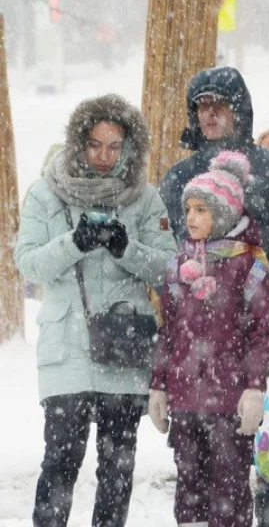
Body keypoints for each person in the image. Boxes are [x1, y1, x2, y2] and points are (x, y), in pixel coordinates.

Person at [16, 94, 175, 527]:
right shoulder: (45, 194)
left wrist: (126, 248)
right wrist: (75, 243)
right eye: (95, 144)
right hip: (65, 351)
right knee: (59, 466)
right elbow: (27, 262)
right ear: (77, 142)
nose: (104, 156)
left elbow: (168, 268)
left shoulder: (144, 198)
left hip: (123, 349)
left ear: (129, 147)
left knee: (117, 471)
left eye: (114, 146)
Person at [149, 151, 269, 527]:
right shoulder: (179, 267)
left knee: (230, 490)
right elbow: (168, 331)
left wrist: (254, 387)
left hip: (230, 402)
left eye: (201, 210)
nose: (191, 217)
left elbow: (264, 332)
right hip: (186, 399)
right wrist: (159, 385)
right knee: (189, 488)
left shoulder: (250, 267)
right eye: (188, 208)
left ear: (222, 214)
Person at [160, 66, 269, 256]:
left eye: (219, 104)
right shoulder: (178, 175)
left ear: (238, 111)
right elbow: (164, 244)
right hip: (194, 282)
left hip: (262, 280)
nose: (210, 113)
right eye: (202, 105)